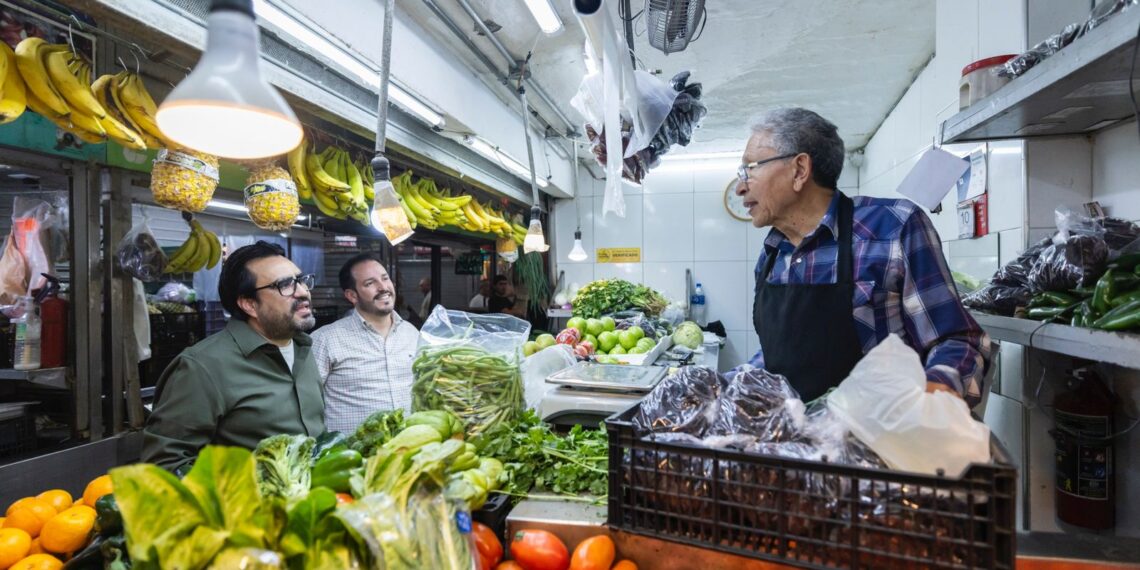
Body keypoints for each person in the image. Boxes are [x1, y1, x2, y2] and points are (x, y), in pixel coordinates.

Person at [737, 108, 991, 407]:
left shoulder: (893, 227)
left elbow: (957, 340)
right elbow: (781, 357)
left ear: (799, 170)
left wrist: (936, 392)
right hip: (793, 442)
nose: (741, 187)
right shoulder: (773, 254)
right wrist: (728, 385)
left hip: (876, 440)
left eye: (749, 169)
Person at [142, 241, 325, 472]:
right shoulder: (202, 367)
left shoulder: (303, 349)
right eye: (285, 285)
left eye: (300, 280)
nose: (302, 292)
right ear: (249, 304)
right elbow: (165, 464)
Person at [312, 253, 419, 433]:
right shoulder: (326, 340)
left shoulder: (412, 333)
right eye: (370, 283)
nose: (383, 287)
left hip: (406, 452)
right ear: (352, 295)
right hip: (351, 456)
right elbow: (307, 403)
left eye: (385, 279)